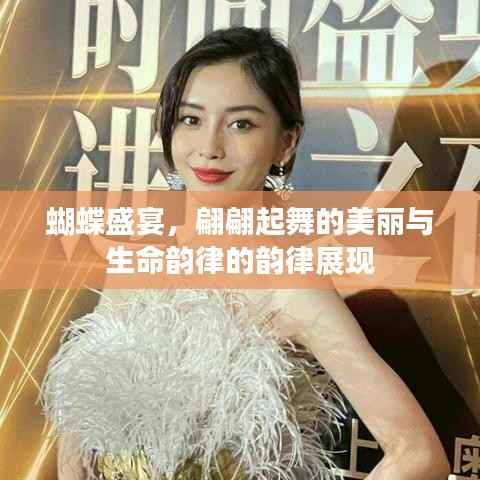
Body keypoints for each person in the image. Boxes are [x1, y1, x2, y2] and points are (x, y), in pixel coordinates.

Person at [48, 27, 450, 480]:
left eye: (241, 124)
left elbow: (418, 455)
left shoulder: (292, 290)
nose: (209, 148)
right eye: (191, 119)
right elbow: (78, 433)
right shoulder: (135, 267)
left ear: (286, 142)